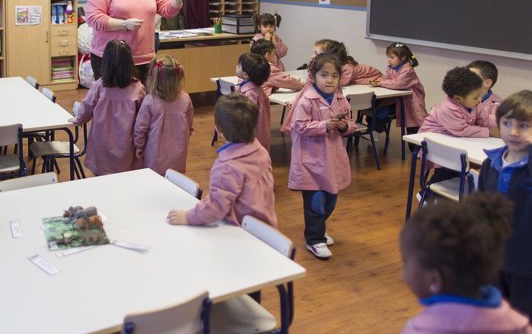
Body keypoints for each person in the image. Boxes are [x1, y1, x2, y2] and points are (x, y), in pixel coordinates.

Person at [398, 193, 532, 334]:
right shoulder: (520, 326)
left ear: (434, 279)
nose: (402, 274)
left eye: (405, 261)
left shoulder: (418, 333)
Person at [167, 93, 277, 228]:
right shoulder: (262, 153)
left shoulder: (226, 167)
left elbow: (215, 208)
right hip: (265, 228)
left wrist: (187, 217)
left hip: (240, 233)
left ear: (218, 129)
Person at [288, 53, 356, 260]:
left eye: (334, 76)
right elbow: (299, 127)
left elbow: (351, 121)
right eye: (324, 75)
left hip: (331, 159)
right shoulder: (306, 100)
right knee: (315, 203)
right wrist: (324, 125)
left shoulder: (340, 98)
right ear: (313, 76)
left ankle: (316, 228)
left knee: (330, 201)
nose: (329, 80)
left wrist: (345, 126)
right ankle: (314, 239)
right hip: (310, 161)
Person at [479, 90, 532, 319]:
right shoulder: (490, 164)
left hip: (526, 265)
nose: (513, 132)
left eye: (524, 125)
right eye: (507, 123)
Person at [71, 40, 146, 176]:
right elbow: (143, 119)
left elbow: (86, 107)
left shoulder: (99, 86)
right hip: (126, 146)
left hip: (102, 144)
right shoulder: (138, 89)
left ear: (105, 63)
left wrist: (79, 119)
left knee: (102, 179)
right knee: (125, 178)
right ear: (129, 63)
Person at [134, 55, 193, 176]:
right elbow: (189, 127)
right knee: (176, 183)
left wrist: (139, 147)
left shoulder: (149, 101)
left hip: (154, 158)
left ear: (154, 78)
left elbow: (140, 129)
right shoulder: (185, 99)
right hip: (178, 157)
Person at [419, 66, 499, 137]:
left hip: (452, 140)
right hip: (430, 143)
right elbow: (462, 130)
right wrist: (489, 132)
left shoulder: (475, 104)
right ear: (458, 99)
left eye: (480, 95)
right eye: (475, 97)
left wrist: (497, 129)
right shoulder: (446, 110)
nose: (480, 99)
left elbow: (483, 122)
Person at [370, 42, 427, 135]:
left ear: (403, 58)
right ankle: (375, 130)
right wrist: (378, 80)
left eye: (392, 57)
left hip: (412, 103)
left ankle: (419, 147)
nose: (389, 60)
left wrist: (380, 83)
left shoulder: (408, 69)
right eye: (388, 57)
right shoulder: (391, 68)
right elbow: (387, 78)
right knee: (380, 107)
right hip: (398, 101)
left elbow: (398, 83)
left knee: (414, 127)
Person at [236, 52, 271, 151]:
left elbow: (246, 117)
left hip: (251, 133)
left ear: (246, 74)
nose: (236, 66)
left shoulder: (249, 93)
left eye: (239, 65)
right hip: (260, 131)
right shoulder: (256, 87)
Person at [468, 60, 502, 128]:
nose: (466, 80)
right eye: (466, 76)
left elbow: (495, 129)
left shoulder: (499, 106)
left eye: (472, 77)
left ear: (487, 83)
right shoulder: (459, 97)